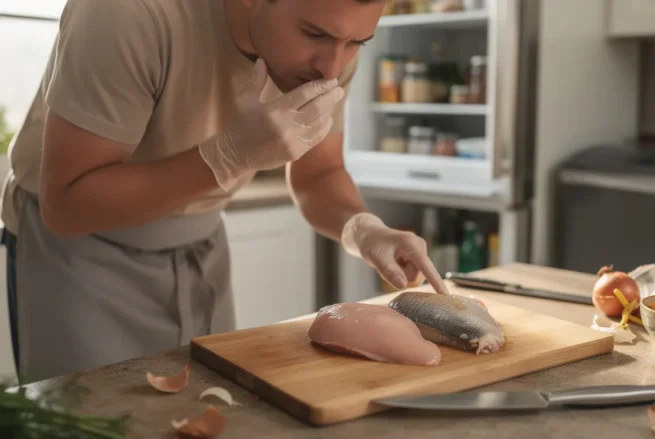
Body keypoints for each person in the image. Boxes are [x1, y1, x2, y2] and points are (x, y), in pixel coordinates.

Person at [0, 0, 450, 384]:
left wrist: (365, 230)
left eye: (357, 43)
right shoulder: (129, 13)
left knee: (207, 411)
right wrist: (228, 155)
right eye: (313, 33)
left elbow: (318, 174)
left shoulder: (332, 44)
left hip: (202, 250)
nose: (332, 67)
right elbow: (67, 205)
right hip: (78, 260)